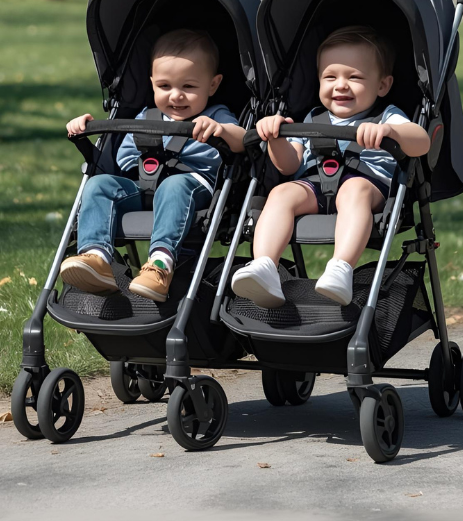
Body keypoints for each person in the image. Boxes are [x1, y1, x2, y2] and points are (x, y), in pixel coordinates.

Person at [231, 25, 429, 308]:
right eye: (330, 77)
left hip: (367, 185)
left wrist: (392, 133)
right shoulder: (312, 119)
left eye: (355, 77)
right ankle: (265, 266)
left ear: (382, 85)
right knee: (281, 194)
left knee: (353, 189)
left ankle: (341, 268)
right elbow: (289, 166)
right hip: (314, 185)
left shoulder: (386, 116)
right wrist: (275, 138)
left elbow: (421, 142)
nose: (341, 85)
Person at [60, 28, 244, 302]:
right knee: (99, 184)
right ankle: (96, 257)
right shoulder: (146, 117)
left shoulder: (215, 114)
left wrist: (221, 130)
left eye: (189, 87)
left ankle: (160, 265)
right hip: (142, 186)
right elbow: (123, 160)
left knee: (173, 185)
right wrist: (82, 126)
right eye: (165, 86)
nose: (176, 96)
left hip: (192, 188)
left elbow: (243, 141)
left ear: (213, 85)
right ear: (152, 83)